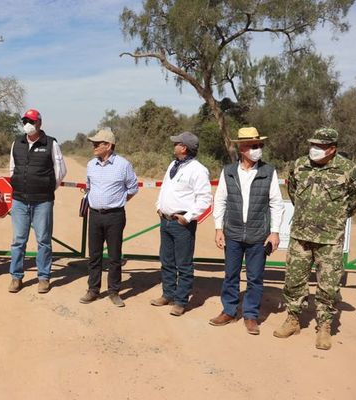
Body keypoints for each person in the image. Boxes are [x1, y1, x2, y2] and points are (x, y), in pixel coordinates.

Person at [274, 128, 356, 350]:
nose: (314, 149)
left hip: (330, 238)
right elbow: (293, 191)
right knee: (294, 279)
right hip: (300, 235)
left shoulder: (348, 169)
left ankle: (324, 326)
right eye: (312, 144)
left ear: (332, 148)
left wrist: (336, 218)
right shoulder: (299, 165)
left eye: (320, 146)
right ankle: (293, 318)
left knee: (328, 285)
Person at [209, 127, 284, 335]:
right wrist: (218, 229)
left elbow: (276, 203)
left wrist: (275, 232)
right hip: (232, 233)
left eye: (259, 145)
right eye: (253, 146)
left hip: (258, 236)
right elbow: (220, 200)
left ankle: (251, 315)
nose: (257, 149)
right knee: (230, 275)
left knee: (255, 278)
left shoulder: (268, 171)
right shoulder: (229, 171)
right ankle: (229, 311)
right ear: (242, 148)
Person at [152, 132, 212, 316]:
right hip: (166, 220)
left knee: (184, 264)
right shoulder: (173, 165)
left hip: (182, 224)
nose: (174, 145)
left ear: (184, 147)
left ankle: (180, 300)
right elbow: (165, 188)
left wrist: (188, 216)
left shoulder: (198, 170)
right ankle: (168, 294)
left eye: (176, 143)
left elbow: (205, 199)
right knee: (167, 260)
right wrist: (159, 206)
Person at [7, 109, 66, 294]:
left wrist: (47, 187)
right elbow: (12, 169)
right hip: (19, 200)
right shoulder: (17, 142)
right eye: (25, 120)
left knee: (43, 240)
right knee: (18, 241)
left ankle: (43, 277)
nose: (27, 124)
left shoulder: (51, 143)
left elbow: (60, 171)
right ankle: (16, 277)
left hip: (43, 201)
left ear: (39, 123)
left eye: (31, 121)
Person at [79, 129, 138, 307]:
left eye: (97, 144)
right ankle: (93, 290)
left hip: (115, 216)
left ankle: (114, 292)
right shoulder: (90, 165)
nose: (94, 146)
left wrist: (118, 201)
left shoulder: (123, 165)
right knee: (94, 255)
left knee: (114, 257)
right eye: (93, 144)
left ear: (109, 146)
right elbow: (89, 187)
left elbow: (133, 188)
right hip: (95, 215)